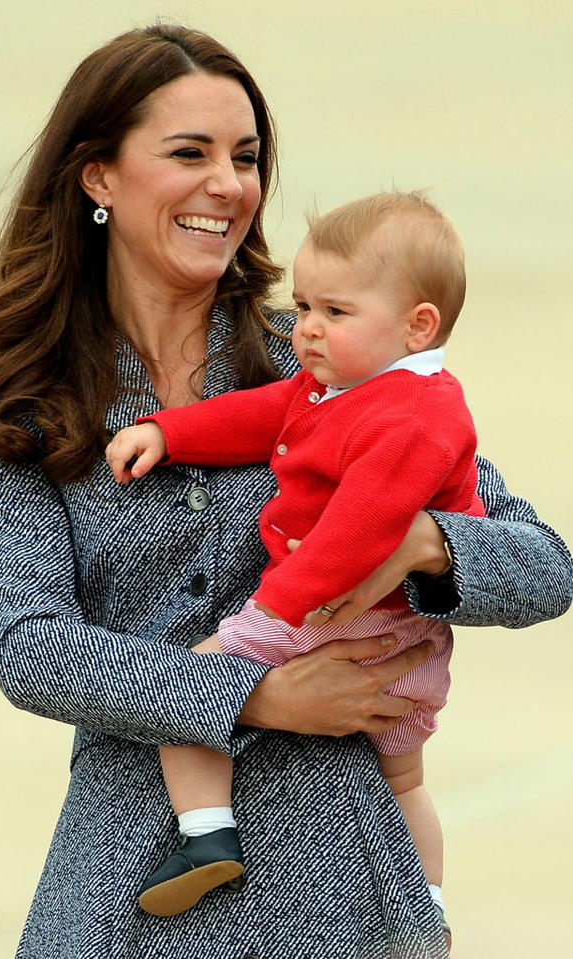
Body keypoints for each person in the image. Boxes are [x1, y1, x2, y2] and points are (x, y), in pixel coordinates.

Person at [0, 23, 573, 959]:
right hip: (124, 890)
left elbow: (545, 567)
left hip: (342, 890)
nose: (228, 185)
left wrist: (426, 545)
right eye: (189, 154)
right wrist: (258, 694)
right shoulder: (34, 400)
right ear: (98, 177)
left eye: (245, 157)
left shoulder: (329, 356)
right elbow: (30, 648)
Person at [106, 191, 482, 937]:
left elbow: (358, 529)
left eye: (334, 313)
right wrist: (169, 431)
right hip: (406, 649)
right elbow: (262, 414)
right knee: (405, 782)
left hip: (333, 619)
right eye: (304, 304)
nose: (306, 328)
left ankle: (207, 832)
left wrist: (280, 602)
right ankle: (426, 907)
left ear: (419, 324)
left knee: (189, 689)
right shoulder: (347, 385)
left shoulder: (410, 415)